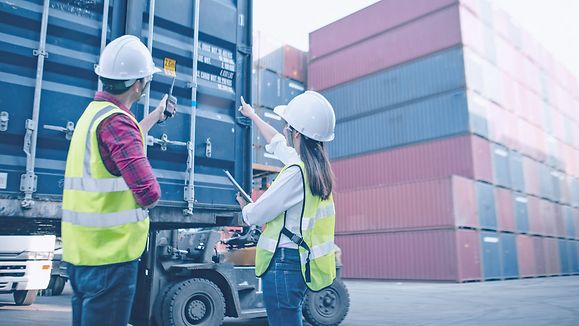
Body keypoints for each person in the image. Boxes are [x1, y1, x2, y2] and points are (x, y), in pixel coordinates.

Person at [61, 35, 175, 326]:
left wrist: (154, 118)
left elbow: (119, 144)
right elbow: (149, 192)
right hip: (109, 259)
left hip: (81, 255)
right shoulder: (117, 123)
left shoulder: (94, 115)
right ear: (138, 85)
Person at [237, 92, 337, 325]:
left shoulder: (296, 173)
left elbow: (258, 213)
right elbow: (278, 144)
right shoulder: (315, 169)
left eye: (287, 127)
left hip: (284, 264)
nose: (284, 131)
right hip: (299, 262)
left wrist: (246, 207)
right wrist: (252, 115)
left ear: (298, 134)